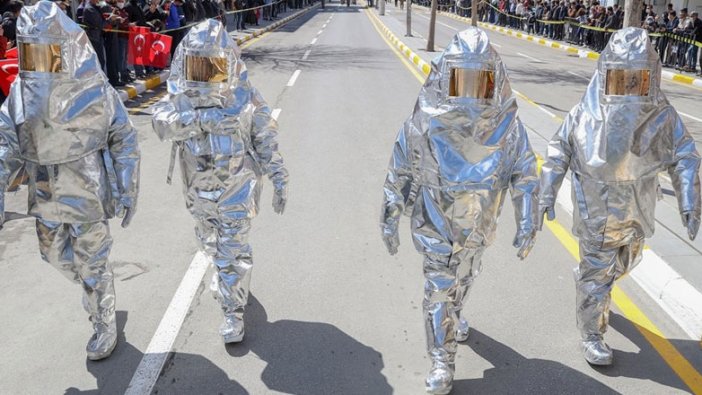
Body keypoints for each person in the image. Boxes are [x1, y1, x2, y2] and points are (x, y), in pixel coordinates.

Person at [379, 28, 539, 395]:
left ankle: (455, 312)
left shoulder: (507, 125)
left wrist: (528, 219)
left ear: (492, 80)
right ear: (447, 77)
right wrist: (390, 214)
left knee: (463, 278)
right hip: (435, 226)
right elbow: (399, 169)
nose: (468, 90)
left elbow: (525, 174)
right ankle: (442, 360)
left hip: (478, 227)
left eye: (476, 80)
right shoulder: (425, 120)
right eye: (461, 79)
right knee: (439, 289)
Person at [538, 27, 701, 367]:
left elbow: (685, 155)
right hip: (596, 209)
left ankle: (588, 280)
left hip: (637, 211)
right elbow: (557, 152)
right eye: (621, 77)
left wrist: (689, 199)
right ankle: (592, 334)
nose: (628, 85)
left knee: (627, 261)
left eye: (636, 78)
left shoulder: (661, 114)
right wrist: (546, 193)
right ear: (606, 74)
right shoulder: (585, 113)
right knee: (598, 274)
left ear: (649, 77)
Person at [0, 0, 140, 361]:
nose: (39, 59)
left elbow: (123, 138)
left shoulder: (93, 87)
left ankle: (103, 319)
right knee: (54, 256)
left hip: (87, 189)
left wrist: (128, 186)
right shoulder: (20, 91)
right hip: (45, 189)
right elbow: (7, 142)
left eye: (46, 51)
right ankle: (98, 288)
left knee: (91, 261)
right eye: (32, 51)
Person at [152, 19, 289, 345]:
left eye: (213, 65)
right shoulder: (182, 97)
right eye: (199, 65)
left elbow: (266, 138)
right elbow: (160, 121)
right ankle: (231, 278)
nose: (205, 72)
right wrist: (199, 119)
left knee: (232, 249)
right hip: (198, 191)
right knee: (209, 243)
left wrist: (279, 178)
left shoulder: (244, 97)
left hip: (237, 189)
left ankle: (233, 313)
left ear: (227, 63)